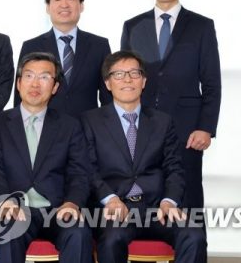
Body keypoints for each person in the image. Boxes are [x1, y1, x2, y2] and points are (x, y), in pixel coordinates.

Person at [81, 50, 206, 263]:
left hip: (157, 208)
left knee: (193, 235)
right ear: (108, 83)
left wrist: (169, 201)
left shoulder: (162, 121)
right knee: (112, 240)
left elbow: (174, 168)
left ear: (144, 81)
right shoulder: (90, 121)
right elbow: (88, 169)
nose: (127, 79)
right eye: (119, 74)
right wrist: (110, 199)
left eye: (134, 73)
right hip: (116, 208)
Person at [121, 0, 221, 210]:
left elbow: (211, 82)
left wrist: (206, 127)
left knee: (187, 199)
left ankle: (192, 239)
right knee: (142, 200)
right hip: (141, 129)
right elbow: (125, 82)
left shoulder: (201, 26)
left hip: (187, 130)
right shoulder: (133, 26)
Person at [0, 52, 92, 263]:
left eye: (44, 77)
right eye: (29, 76)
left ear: (55, 87)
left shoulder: (69, 126)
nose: (35, 84)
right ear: (18, 83)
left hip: (57, 209)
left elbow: (79, 173)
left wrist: (72, 203)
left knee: (79, 232)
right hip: (16, 207)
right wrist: (5, 200)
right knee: (6, 230)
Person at [15, 0, 111, 117]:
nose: (64, 5)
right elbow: (21, 96)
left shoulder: (99, 46)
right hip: (45, 126)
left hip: (87, 126)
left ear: (81, 6)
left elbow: (108, 96)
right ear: (48, 7)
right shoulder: (31, 46)